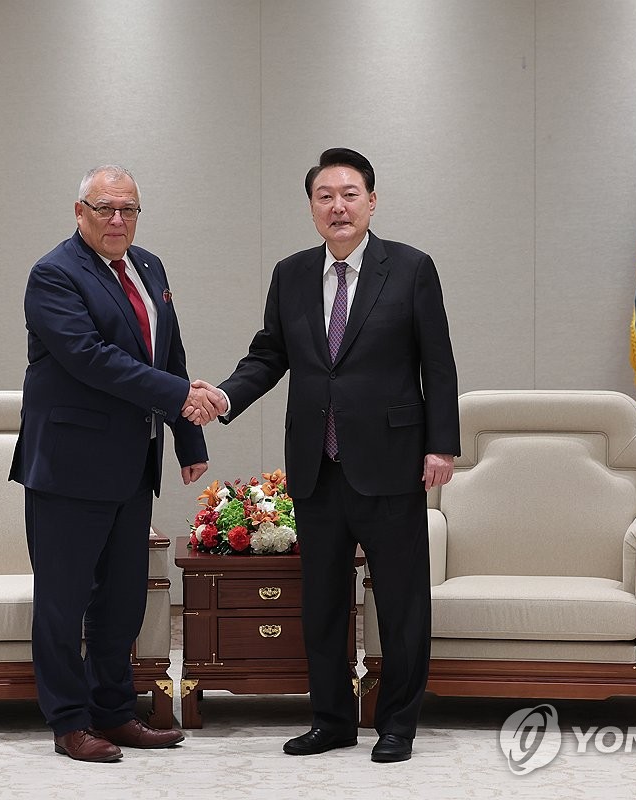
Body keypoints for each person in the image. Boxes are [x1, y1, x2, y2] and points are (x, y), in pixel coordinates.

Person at [187, 148, 460, 763]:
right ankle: (331, 719)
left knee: (400, 602)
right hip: (316, 465)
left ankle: (397, 725)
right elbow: (268, 355)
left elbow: (437, 365)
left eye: (350, 193)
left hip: (390, 462)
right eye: (325, 196)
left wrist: (442, 444)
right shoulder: (291, 274)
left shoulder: (412, 269)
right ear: (312, 207)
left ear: (371, 201)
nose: (338, 205)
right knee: (323, 604)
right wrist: (224, 397)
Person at [9, 164, 213, 763]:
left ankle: (115, 712)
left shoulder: (149, 267)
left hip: (131, 466)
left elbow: (168, 352)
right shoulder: (54, 275)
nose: (118, 220)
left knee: (121, 600)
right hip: (69, 467)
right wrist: (179, 396)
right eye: (105, 209)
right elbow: (91, 359)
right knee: (63, 601)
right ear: (80, 212)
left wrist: (189, 439)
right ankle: (70, 723)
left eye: (128, 209)